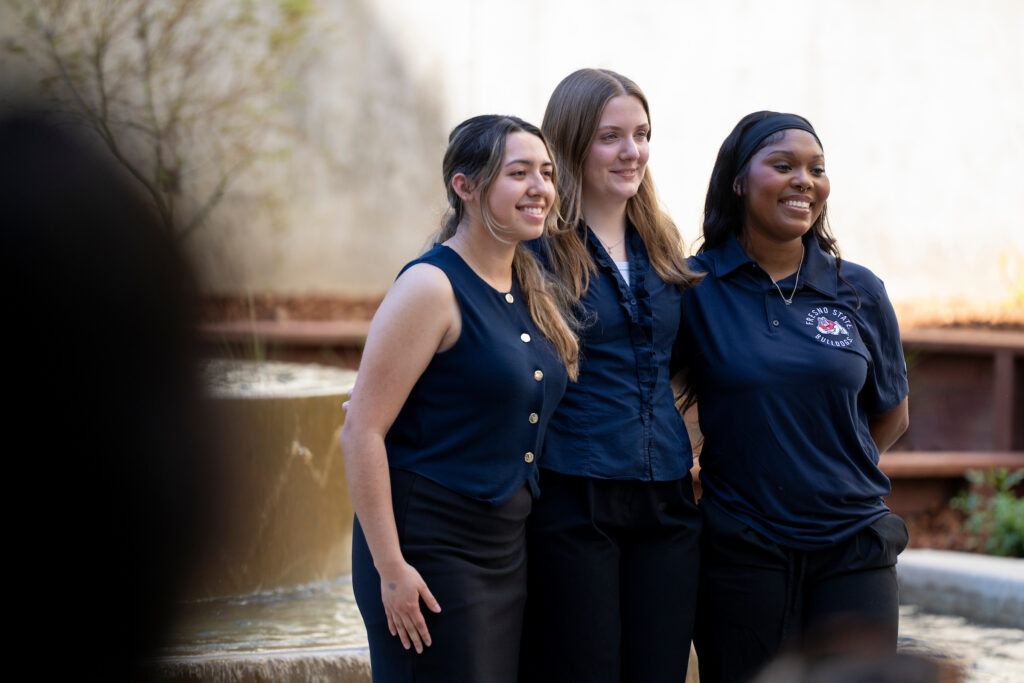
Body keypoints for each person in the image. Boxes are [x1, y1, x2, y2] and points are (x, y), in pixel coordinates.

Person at [340, 114, 578, 683]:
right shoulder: (430, 287)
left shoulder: (528, 287)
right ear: (465, 187)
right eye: (518, 173)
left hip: (505, 544)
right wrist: (391, 570)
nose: (540, 187)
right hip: (428, 550)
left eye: (545, 172)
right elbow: (361, 431)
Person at [678, 111, 910, 683]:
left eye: (817, 169)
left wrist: (825, 469)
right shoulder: (694, 288)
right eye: (783, 166)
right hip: (742, 549)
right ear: (739, 181)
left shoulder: (859, 290)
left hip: (854, 546)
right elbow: (665, 401)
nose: (805, 180)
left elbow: (892, 414)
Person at [519, 68, 704, 683]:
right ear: (571, 143)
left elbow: (689, 361)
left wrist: (693, 443)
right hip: (576, 496)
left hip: (668, 496)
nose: (632, 152)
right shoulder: (537, 249)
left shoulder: (663, 243)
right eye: (610, 137)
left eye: (642, 134)